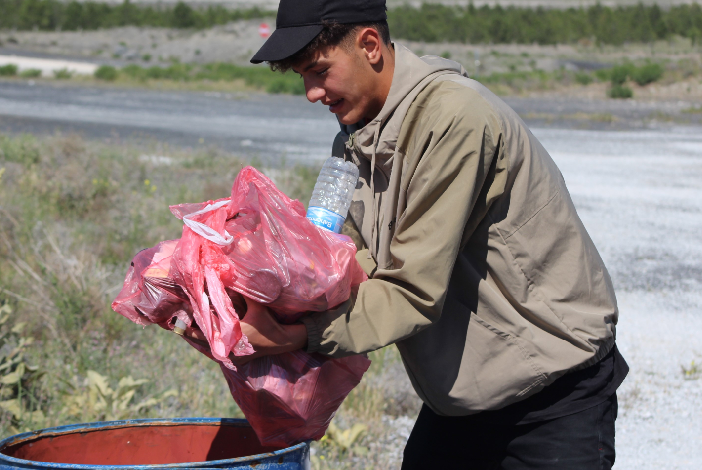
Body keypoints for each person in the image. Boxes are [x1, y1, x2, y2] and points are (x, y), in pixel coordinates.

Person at [190, 0, 629, 468]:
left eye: (318, 70)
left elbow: (412, 290)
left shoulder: (456, 118)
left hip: (552, 395)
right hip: (462, 397)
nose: (311, 92)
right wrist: (244, 297)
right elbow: (352, 263)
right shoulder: (355, 137)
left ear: (370, 45)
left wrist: (297, 335)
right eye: (301, 76)